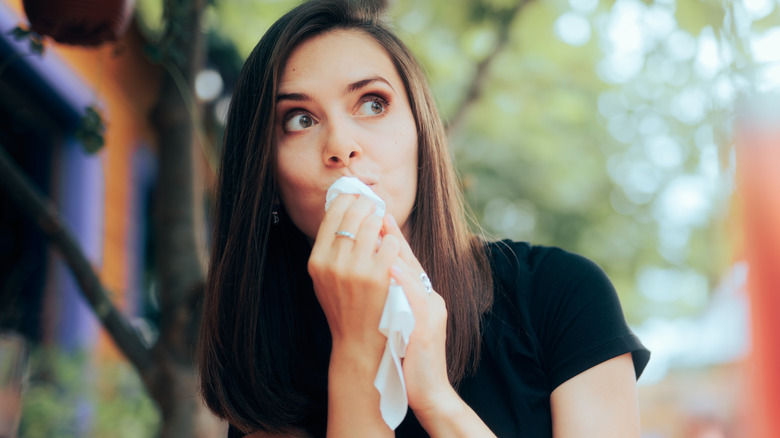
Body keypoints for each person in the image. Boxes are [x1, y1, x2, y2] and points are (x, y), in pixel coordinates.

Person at [197, 1, 650, 437]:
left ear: (422, 132)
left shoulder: (563, 295)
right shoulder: (265, 352)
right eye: (299, 119)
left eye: (373, 104)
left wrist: (435, 398)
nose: (340, 144)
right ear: (267, 175)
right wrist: (358, 352)